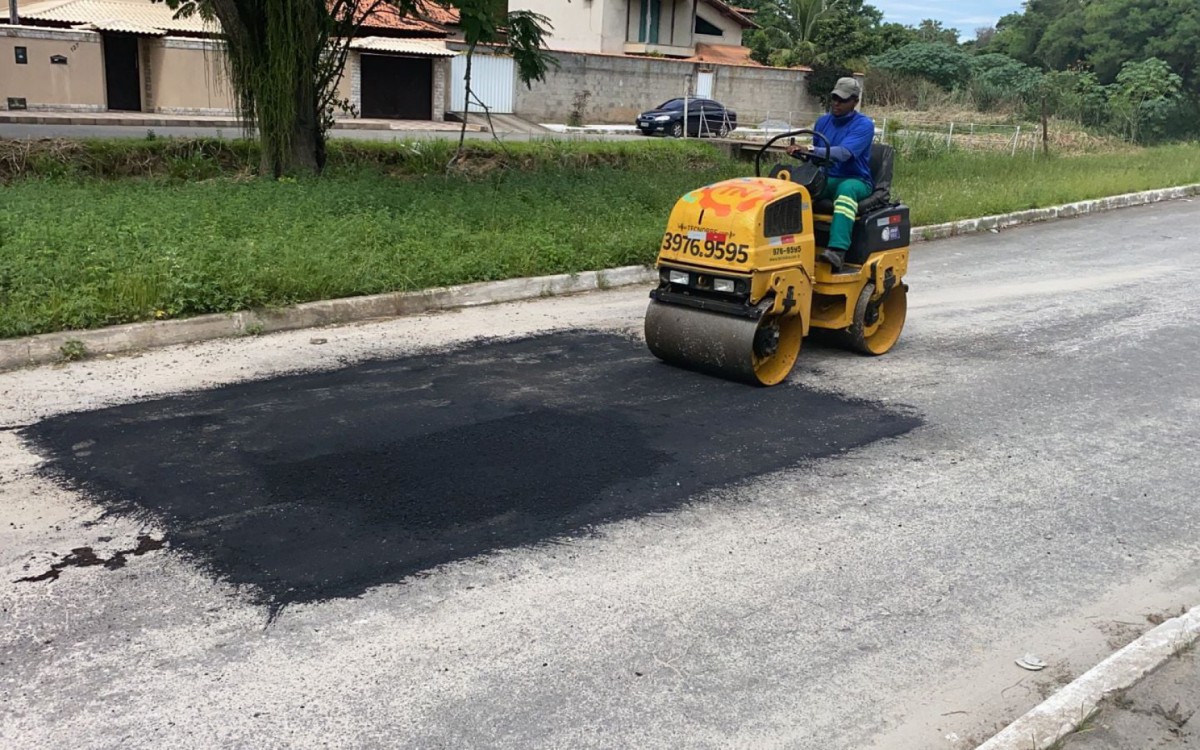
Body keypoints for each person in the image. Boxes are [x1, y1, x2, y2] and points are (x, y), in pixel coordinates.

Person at [786, 77, 875, 271]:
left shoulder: (864, 125)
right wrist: (801, 153)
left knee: (846, 192)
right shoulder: (823, 122)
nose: (836, 103)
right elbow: (816, 157)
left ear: (855, 101)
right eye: (834, 98)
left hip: (855, 179)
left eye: (842, 100)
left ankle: (837, 250)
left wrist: (810, 149)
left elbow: (844, 154)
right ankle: (789, 245)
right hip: (825, 177)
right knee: (791, 190)